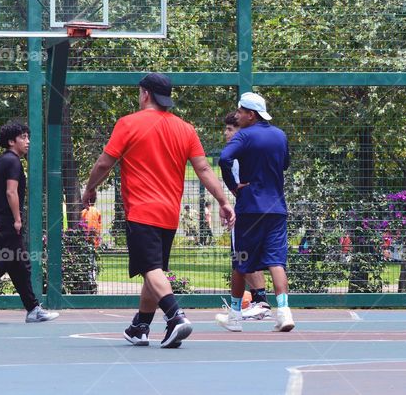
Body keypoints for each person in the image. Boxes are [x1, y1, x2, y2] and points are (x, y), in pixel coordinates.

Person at [81, 73, 235, 349]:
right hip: (169, 213)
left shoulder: (128, 123)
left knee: (150, 268)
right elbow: (203, 168)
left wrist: (90, 187)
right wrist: (224, 201)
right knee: (155, 270)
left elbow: (105, 163)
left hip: (141, 211)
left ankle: (176, 317)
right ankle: (140, 326)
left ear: (145, 94)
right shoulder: (185, 129)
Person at [0, 122, 59, 325]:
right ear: (11, 141)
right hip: (7, 223)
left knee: (20, 266)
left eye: (28, 137)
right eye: (23, 137)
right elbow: (11, 192)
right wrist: (17, 219)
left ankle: (33, 309)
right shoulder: (14, 162)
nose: (28, 141)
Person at [216, 92, 294, 333]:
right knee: (276, 262)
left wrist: (233, 186)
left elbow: (224, 159)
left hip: (250, 208)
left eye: (240, 112)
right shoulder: (280, 135)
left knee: (241, 262)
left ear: (251, 114)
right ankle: (284, 313)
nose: (237, 115)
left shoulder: (245, 136)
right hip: (277, 209)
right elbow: (285, 164)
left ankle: (234, 316)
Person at [220, 111, 272, 321]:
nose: (226, 133)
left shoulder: (240, 156)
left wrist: (232, 200)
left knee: (241, 256)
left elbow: (242, 185)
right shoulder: (247, 153)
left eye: (230, 129)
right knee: (245, 256)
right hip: (258, 209)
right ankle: (259, 302)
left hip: (249, 211)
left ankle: (259, 302)